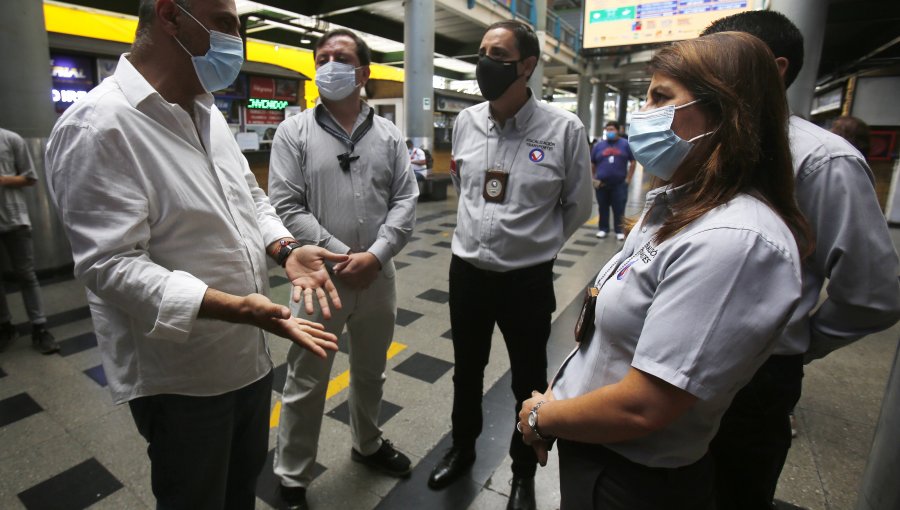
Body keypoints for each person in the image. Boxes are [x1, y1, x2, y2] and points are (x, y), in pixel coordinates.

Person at [44, 1, 348, 508]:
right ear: (170, 15)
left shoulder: (207, 113)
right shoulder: (98, 126)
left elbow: (250, 198)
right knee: (196, 496)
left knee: (238, 490)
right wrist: (234, 307)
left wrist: (284, 248)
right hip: (182, 377)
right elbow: (109, 264)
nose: (238, 41)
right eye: (227, 24)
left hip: (249, 355)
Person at [517, 31, 812, 510]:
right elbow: (609, 338)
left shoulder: (733, 242)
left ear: (725, 114)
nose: (644, 113)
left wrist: (540, 418)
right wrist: (557, 398)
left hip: (632, 478)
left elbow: (643, 406)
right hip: (593, 445)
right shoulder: (677, 207)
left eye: (661, 97)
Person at [701, 12, 900, 510]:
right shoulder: (700, 145)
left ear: (774, 67)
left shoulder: (822, 161)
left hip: (753, 380)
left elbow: (872, 293)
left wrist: (797, 342)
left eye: (715, 62)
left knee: (734, 490)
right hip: (668, 360)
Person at [427, 20, 592, 510]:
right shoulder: (466, 122)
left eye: (496, 53)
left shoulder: (563, 130)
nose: (483, 62)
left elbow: (578, 206)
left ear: (526, 65)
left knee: (527, 377)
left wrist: (536, 245)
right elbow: (467, 188)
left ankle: (523, 473)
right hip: (469, 275)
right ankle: (462, 449)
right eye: (481, 51)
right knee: (467, 370)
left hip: (527, 280)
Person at [268, 28, 418, 510]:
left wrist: (374, 255)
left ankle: (368, 443)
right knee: (306, 379)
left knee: (371, 371)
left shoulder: (390, 136)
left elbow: (405, 201)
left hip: (378, 275)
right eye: (323, 56)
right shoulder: (293, 132)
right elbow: (286, 205)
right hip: (317, 279)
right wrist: (341, 254)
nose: (329, 63)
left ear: (363, 72)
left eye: (342, 57)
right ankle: (291, 476)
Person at [0, 127, 59, 354]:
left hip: (15, 220)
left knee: (26, 274)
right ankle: (5, 326)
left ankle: (39, 328)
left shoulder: (10, 138)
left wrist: (3, 179)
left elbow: (30, 177)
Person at [590, 120, 635, 241]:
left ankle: (619, 230)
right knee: (602, 207)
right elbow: (592, 163)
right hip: (602, 184)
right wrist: (593, 177)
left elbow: (633, 161)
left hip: (619, 184)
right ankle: (603, 229)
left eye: (612, 129)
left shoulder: (625, 144)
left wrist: (628, 178)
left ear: (618, 130)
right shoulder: (599, 146)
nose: (610, 132)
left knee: (619, 208)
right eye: (608, 129)